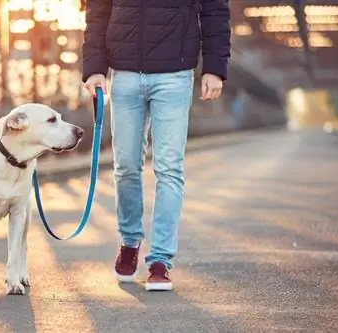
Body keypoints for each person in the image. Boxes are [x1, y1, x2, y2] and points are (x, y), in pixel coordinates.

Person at [81, 0, 231, 291]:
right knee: (125, 167)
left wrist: (214, 68)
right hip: (123, 74)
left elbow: (215, 10)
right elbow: (97, 11)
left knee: (169, 169)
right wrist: (94, 68)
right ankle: (129, 241)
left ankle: (160, 260)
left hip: (174, 76)